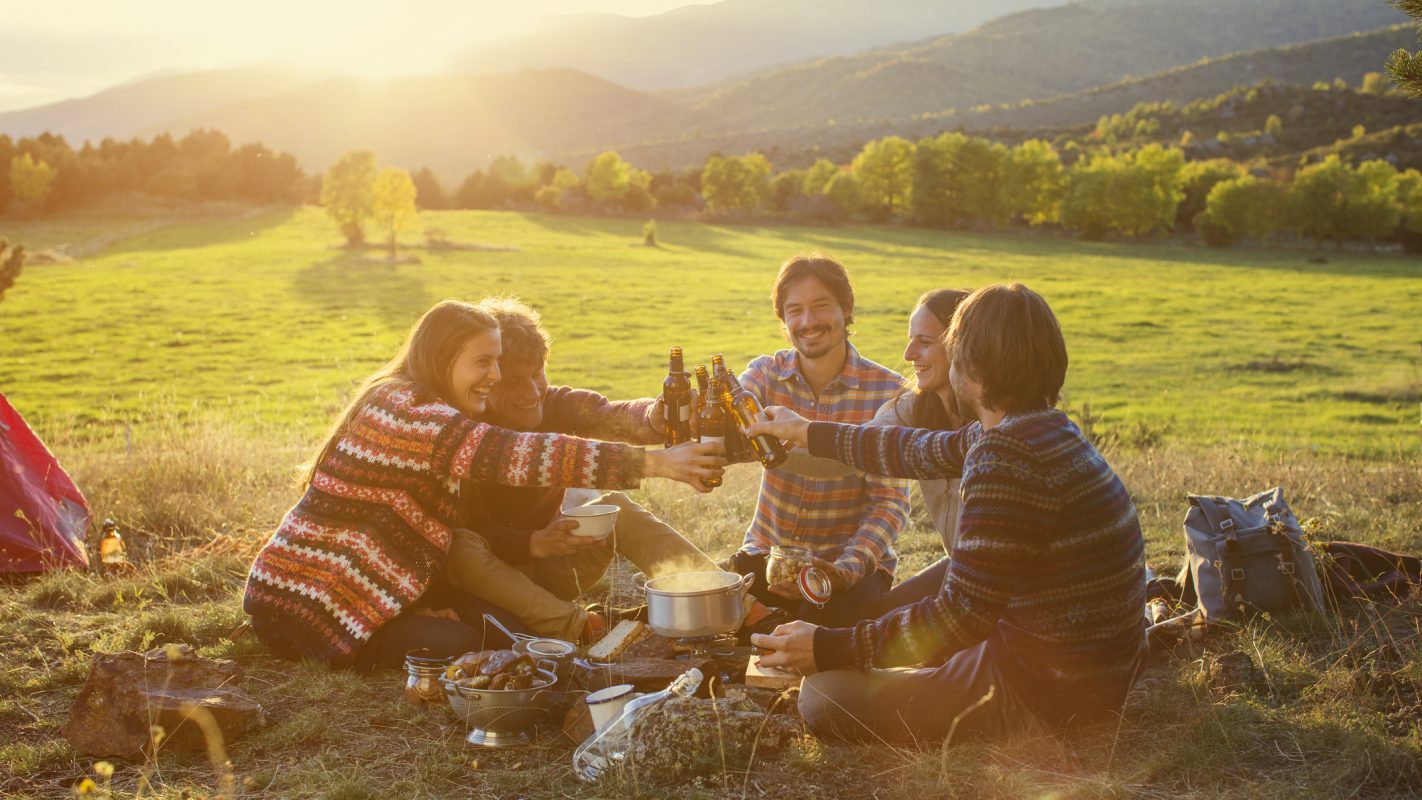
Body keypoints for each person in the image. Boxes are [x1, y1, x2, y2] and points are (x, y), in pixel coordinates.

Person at [748, 283, 1147, 744]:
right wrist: (804, 430)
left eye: (952, 350)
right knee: (885, 646)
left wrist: (829, 648)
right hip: (1088, 670)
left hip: (1046, 690)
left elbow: (960, 615)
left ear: (973, 365)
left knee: (823, 696)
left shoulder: (1007, 457)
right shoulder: (1039, 430)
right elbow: (913, 448)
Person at [241, 300, 723, 669]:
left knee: (498, 635)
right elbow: (517, 457)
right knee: (474, 639)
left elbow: (602, 413)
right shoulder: (406, 410)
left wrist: (659, 422)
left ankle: (715, 597)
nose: (497, 379)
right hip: (308, 603)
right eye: (485, 365)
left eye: (501, 365)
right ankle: (576, 626)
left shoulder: (446, 411)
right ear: (442, 358)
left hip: (401, 586)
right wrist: (658, 465)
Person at [446, 297, 740, 643]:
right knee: (458, 546)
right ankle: (583, 627)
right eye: (513, 382)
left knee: (617, 505)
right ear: (488, 379)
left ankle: (728, 601)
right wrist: (532, 543)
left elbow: (608, 414)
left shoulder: (554, 404)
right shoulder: (465, 432)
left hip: (552, 569)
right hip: (495, 583)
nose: (532, 392)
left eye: (537, 373)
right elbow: (461, 527)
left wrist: (654, 416)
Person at [727, 253, 910, 628]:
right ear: (783, 320)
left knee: (820, 641)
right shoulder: (766, 374)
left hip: (845, 566)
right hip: (766, 557)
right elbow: (736, 402)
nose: (808, 322)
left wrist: (842, 571)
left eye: (821, 306)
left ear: (846, 308)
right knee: (732, 632)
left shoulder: (889, 392)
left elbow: (889, 503)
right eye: (795, 311)